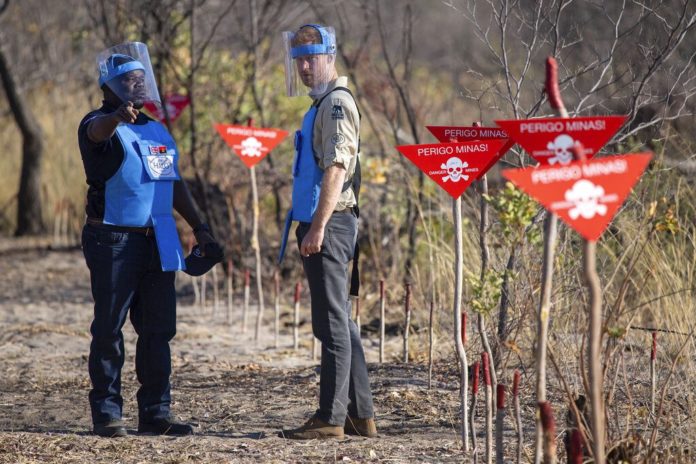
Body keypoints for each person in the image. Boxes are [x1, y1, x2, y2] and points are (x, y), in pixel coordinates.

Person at [77, 42, 221, 438]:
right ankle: (107, 412)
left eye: (141, 78)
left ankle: (156, 413)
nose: (136, 84)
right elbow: (95, 132)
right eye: (128, 79)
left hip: (159, 240)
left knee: (158, 330)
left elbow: (173, 184)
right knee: (109, 327)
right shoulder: (98, 124)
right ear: (109, 86)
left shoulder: (157, 129)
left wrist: (201, 228)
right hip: (113, 241)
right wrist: (116, 118)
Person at [278, 24, 376, 440]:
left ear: (329, 56)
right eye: (298, 58)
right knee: (341, 321)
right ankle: (360, 416)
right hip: (324, 222)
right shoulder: (320, 103)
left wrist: (317, 227)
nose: (303, 66)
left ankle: (330, 418)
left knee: (332, 323)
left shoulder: (336, 103)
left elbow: (338, 167)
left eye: (311, 57)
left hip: (330, 223)